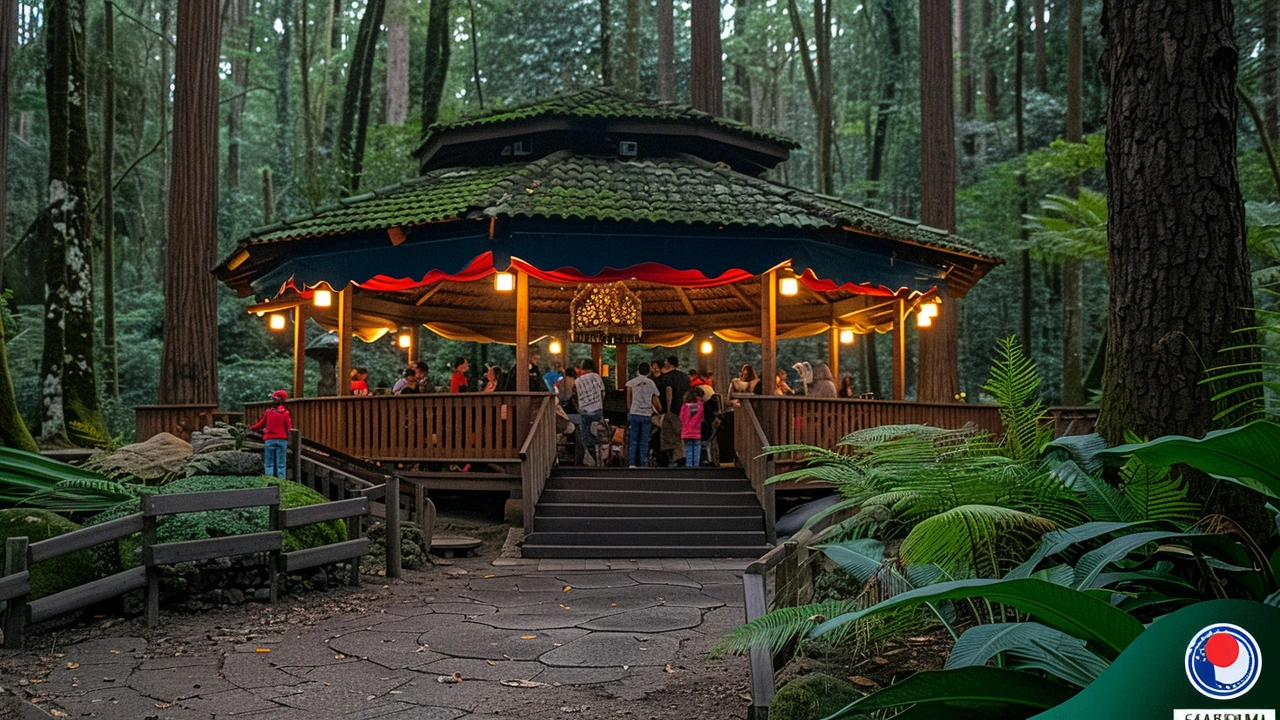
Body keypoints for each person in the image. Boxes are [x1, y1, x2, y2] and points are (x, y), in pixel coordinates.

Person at [250, 390, 293, 479]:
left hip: (269, 439)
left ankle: (269, 481)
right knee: (281, 464)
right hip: (282, 440)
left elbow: (260, 423)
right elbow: (289, 427)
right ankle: (282, 482)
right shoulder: (286, 413)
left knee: (269, 463)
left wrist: (251, 428)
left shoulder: (268, 412)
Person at [625, 362, 661, 468]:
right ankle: (643, 462)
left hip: (634, 412)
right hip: (646, 414)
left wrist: (630, 409)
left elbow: (628, 400)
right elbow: (655, 398)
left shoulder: (631, 383)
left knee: (633, 439)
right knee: (644, 440)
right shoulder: (651, 383)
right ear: (648, 371)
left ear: (638, 370)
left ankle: (632, 462)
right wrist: (659, 410)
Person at [655, 356, 690, 464]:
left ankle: (670, 458)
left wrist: (668, 409)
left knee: (670, 435)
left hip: (671, 411)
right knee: (682, 433)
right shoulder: (685, 377)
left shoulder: (667, 378)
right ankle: (682, 458)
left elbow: (668, 391)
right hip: (684, 409)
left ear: (669, 364)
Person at [572, 359, 606, 463]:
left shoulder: (577, 381)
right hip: (597, 410)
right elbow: (603, 393)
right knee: (600, 434)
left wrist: (579, 408)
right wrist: (599, 403)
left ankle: (593, 455)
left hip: (585, 412)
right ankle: (601, 455)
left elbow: (575, 397)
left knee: (586, 436)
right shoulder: (596, 377)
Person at [678, 388, 704, 468]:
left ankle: (689, 465)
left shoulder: (684, 406)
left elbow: (681, 418)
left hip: (687, 432)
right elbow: (702, 418)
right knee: (697, 447)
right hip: (696, 431)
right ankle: (696, 464)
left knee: (688, 448)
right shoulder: (700, 406)